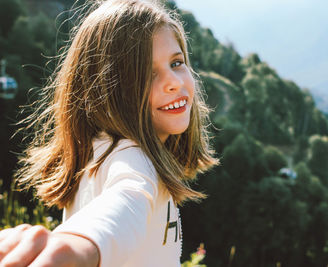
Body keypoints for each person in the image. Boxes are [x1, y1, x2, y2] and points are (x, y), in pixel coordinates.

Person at [0, 0, 218, 266]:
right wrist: (76, 246)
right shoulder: (135, 159)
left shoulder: (101, 149)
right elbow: (127, 199)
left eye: (176, 63)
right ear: (107, 90)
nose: (173, 82)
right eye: (146, 75)